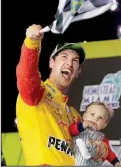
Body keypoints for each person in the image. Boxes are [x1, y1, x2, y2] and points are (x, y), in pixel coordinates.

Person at [16, 24, 108, 165]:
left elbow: (92, 144)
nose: (69, 64)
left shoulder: (74, 115)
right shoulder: (36, 94)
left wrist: (101, 148)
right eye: (64, 57)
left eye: (75, 61)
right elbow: (26, 74)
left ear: (78, 72)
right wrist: (32, 43)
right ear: (51, 62)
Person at [69, 101, 120, 166]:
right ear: (84, 116)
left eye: (100, 117)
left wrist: (115, 162)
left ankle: (87, 151)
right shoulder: (80, 127)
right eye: (92, 114)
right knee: (79, 141)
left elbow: (109, 153)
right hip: (78, 161)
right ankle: (84, 149)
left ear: (104, 125)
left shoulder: (102, 138)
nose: (95, 118)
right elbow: (71, 131)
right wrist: (83, 125)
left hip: (94, 163)